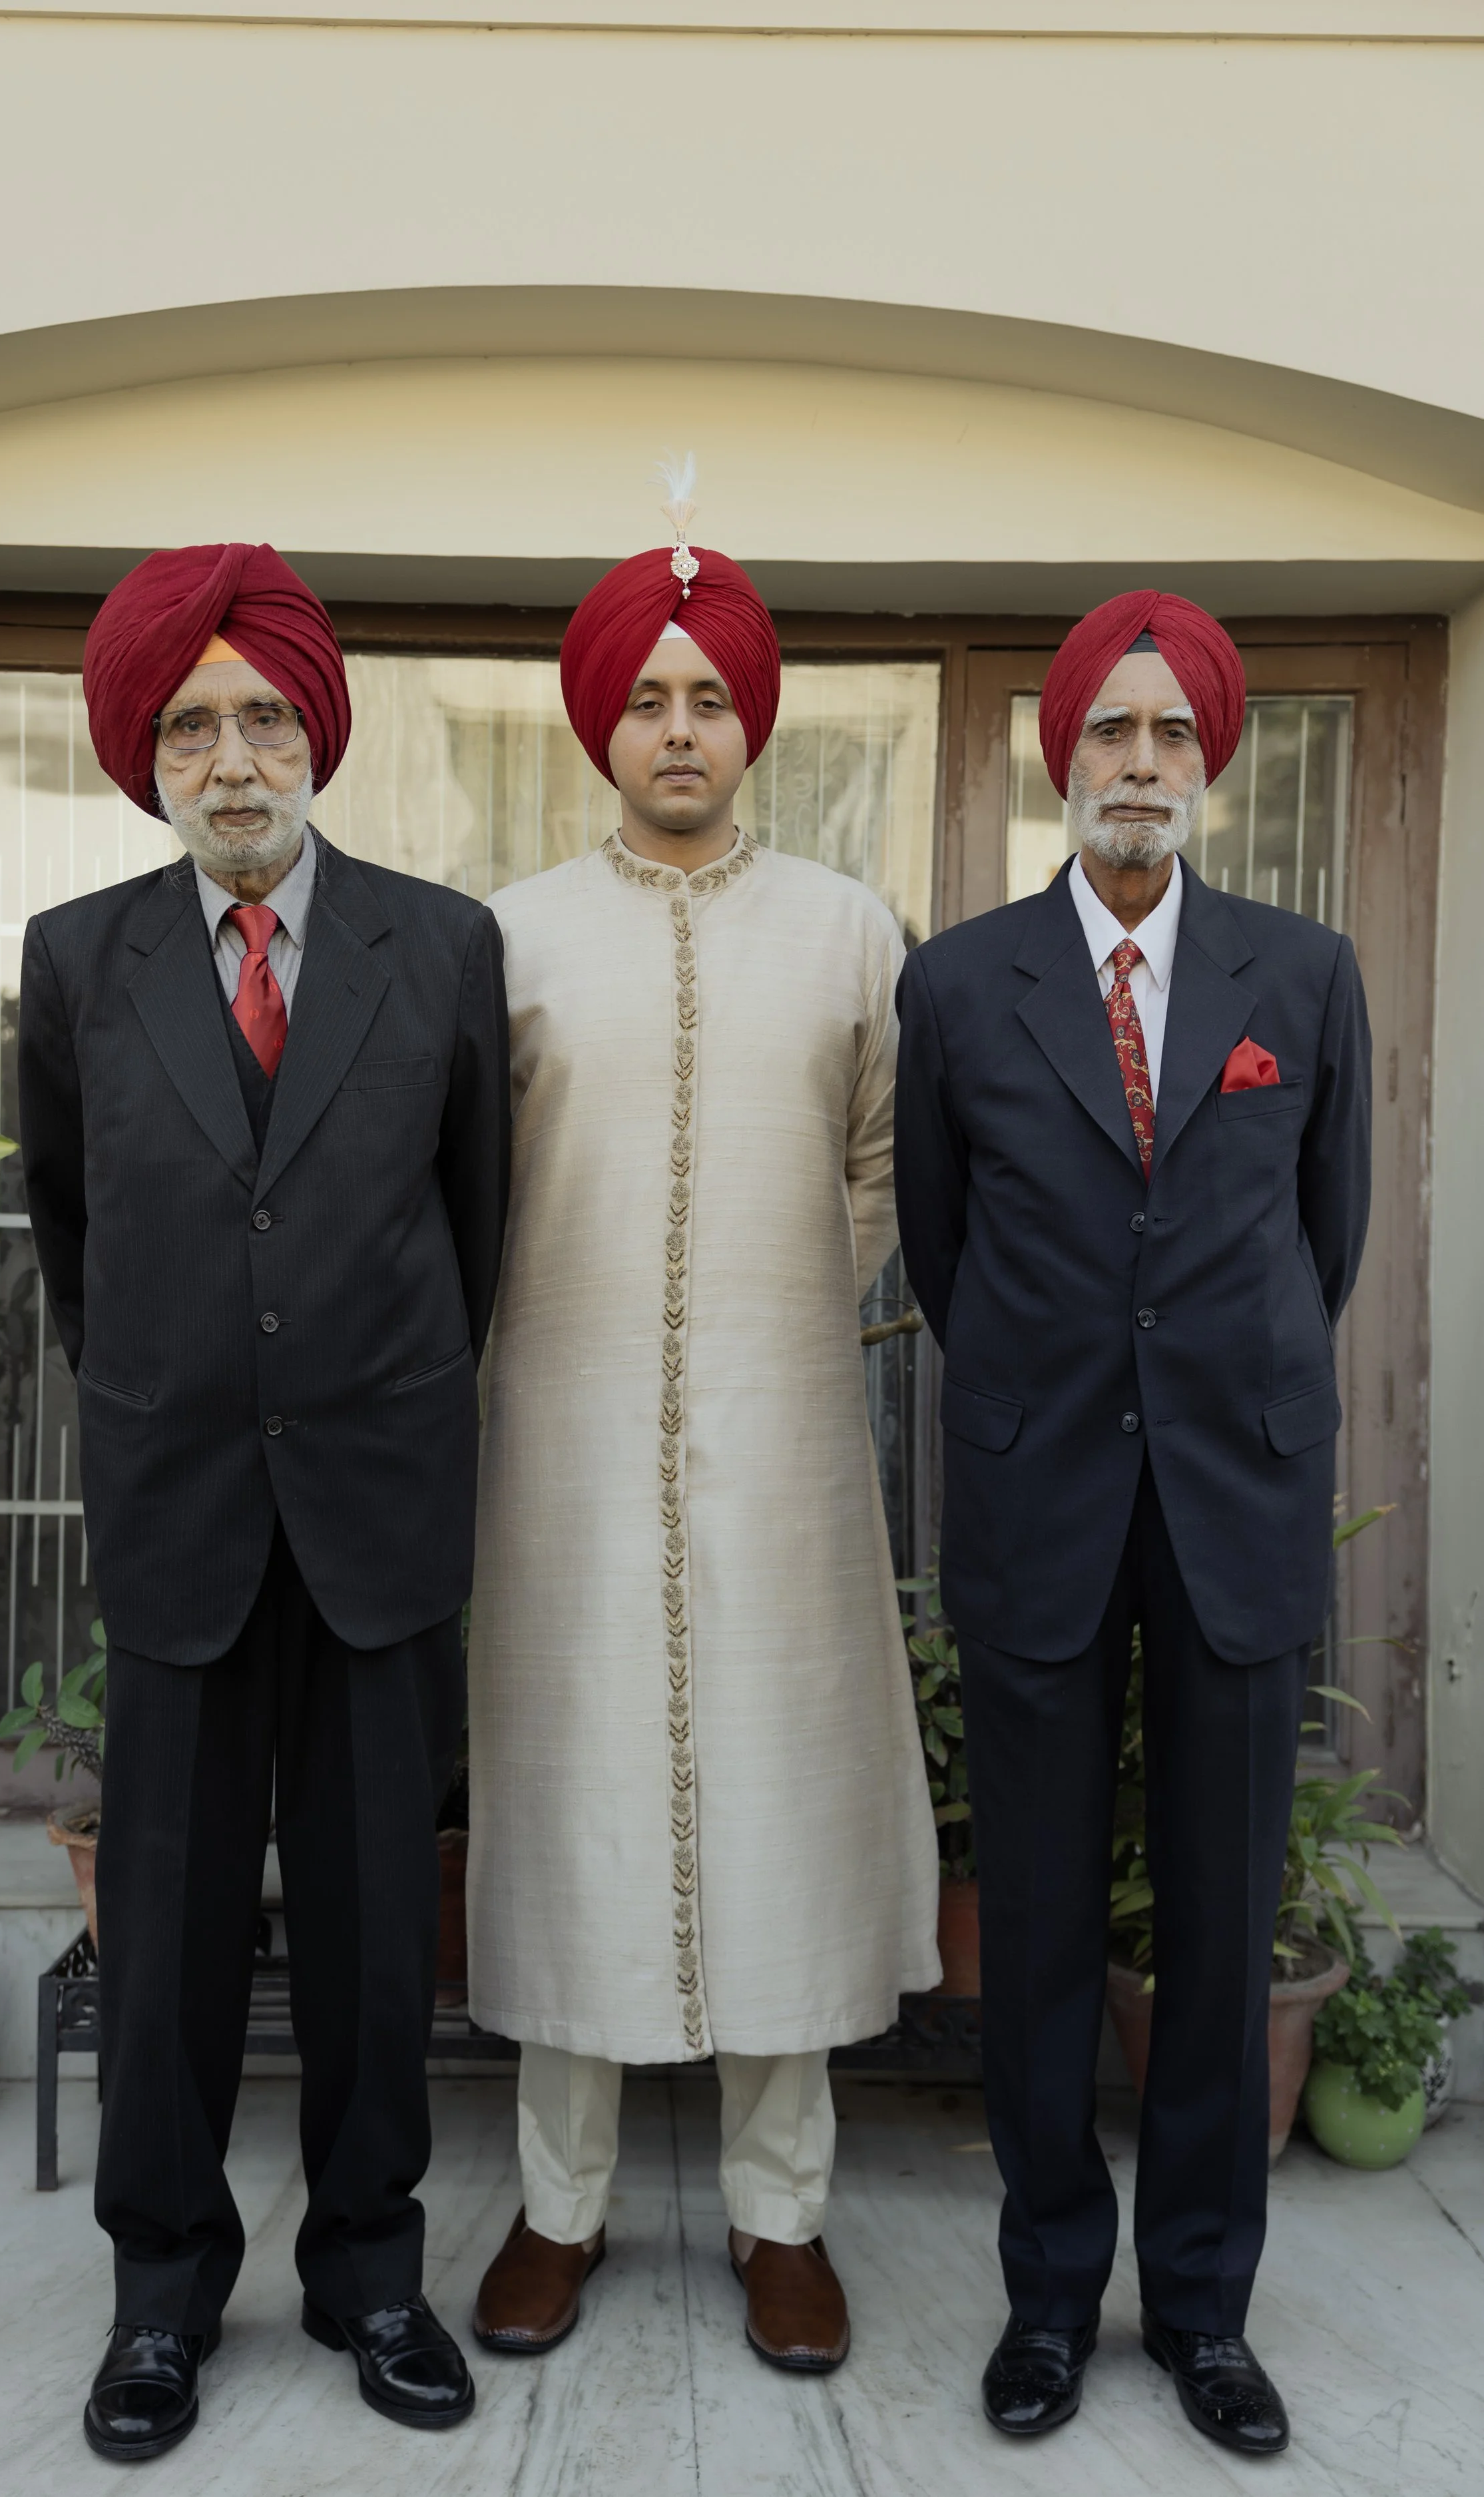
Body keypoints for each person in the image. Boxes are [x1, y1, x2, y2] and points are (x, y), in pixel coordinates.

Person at [18, 542, 509, 2463]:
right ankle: (161, 2295)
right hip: (180, 1510)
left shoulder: (440, 945)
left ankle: (370, 2274)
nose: (234, 757)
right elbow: (79, 1234)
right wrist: (188, 1384)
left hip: (380, 1506)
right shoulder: (78, 959)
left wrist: (353, 1380)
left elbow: (472, 1235)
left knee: (386, 1926)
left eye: (265, 718)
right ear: (148, 751)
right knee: (168, 1928)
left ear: (319, 735)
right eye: (195, 723)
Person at [465, 496, 941, 2374]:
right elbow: (465, 1183)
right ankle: (557, 2204)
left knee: (780, 1793)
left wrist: (776, 1290)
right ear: (602, 725)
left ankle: (781, 2215)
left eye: (707, 695)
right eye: (645, 697)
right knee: (574, 1796)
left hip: (786, 1434)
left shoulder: (847, 932)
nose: (677, 724)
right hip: (562, 1441)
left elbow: (889, 1160)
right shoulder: (506, 939)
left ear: (755, 723)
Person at [894, 590, 1371, 2458]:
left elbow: (1315, 1243)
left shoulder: (1301, 976)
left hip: (1233, 1501)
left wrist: (1202, 1391)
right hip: (1038, 1498)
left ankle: (1198, 2307)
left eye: (1172, 735)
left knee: (1216, 1911)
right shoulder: (959, 983)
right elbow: (944, 1248)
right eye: (1112, 731)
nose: (1141, 765)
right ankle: (1041, 2299)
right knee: (1031, 1922)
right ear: (1062, 757)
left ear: (1210, 763)